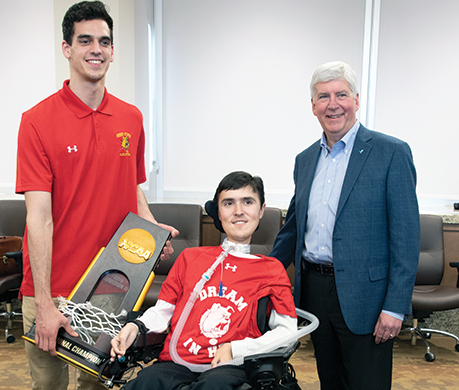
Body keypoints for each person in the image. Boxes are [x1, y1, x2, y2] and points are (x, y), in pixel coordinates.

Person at [15, 2, 177, 389]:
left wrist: (151, 229)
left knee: (99, 386)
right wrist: (44, 302)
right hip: (51, 287)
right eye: (85, 40)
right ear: (66, 48)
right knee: (48, 386)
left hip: (111, 288)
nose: (96, 49)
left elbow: (130, 185)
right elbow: (38, 218)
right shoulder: (36, 122)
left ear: (113, 51)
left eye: (104, 41)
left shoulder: (131, 118)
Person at [270, 61, 420, 389]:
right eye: (323, 97)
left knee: (367, 383)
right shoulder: (305, 160)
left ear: (356, 99)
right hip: (314, 291)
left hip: (367, 297)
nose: (332, 104)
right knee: (330, 381)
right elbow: (293, 228)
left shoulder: (391, 153)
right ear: (313, 106)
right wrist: (260, 277)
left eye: (341, 94)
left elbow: (406, 237)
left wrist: (395, 307)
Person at [111, 171, 298, 390]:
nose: (239, 211)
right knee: (145, 383)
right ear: (218, 212)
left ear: (261, 210)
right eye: (229, 203)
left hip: (231, 365)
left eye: (248, 202)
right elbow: (162, 312)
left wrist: (235, 349)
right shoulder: (190, 258)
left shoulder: (271, 269)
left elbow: (287, 333)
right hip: (176, 362)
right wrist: (136, 326)